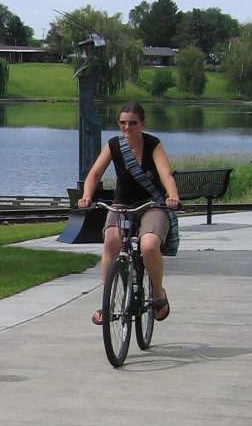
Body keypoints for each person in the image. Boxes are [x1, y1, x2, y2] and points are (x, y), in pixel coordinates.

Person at [76, 101, 180, 325]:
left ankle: (159, 295)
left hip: (152, 205)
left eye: (132, 123)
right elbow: (94, 174)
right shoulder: (114, 145)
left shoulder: (153, 144)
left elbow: (166, 173)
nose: (127, 128)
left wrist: (172, 196)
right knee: (111, 241)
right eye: (122, 123)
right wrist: (87, 195)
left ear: (143, 123)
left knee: (149, 245)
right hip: (122, 204)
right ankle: (108, 303)